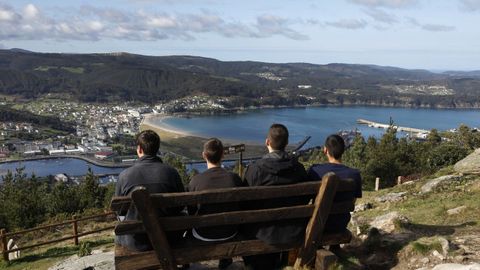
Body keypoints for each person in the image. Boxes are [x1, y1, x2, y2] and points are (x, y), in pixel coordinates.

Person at [242, 123, 309, 270]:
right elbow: (305, 199)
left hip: (263, 232)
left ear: (267, 142)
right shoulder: (298, 169)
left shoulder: (254, 170)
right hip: (293, 229)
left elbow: (245, 202)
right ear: (287, 144)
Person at [115, 130, 185, 251]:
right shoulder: (171, 173)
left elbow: (119, 212)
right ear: (157, 149)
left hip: (136, 241)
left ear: (139, 149)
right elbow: (180, 206)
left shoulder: (124, 175)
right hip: (169, 238)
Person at [188, 138, 243, 269]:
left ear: (204, 155)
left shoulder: (195, 181)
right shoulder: (234, 178)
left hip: (204, 234)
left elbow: (191, 213)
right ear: (223, 155)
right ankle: (225, 261)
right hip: (230, 231)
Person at [307, 134, 362, 233]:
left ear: (325, 150)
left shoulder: (314, 170)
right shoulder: (354, 174)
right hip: (339, 225)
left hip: (315, 223)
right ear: (343, 151)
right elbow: (352, 201)